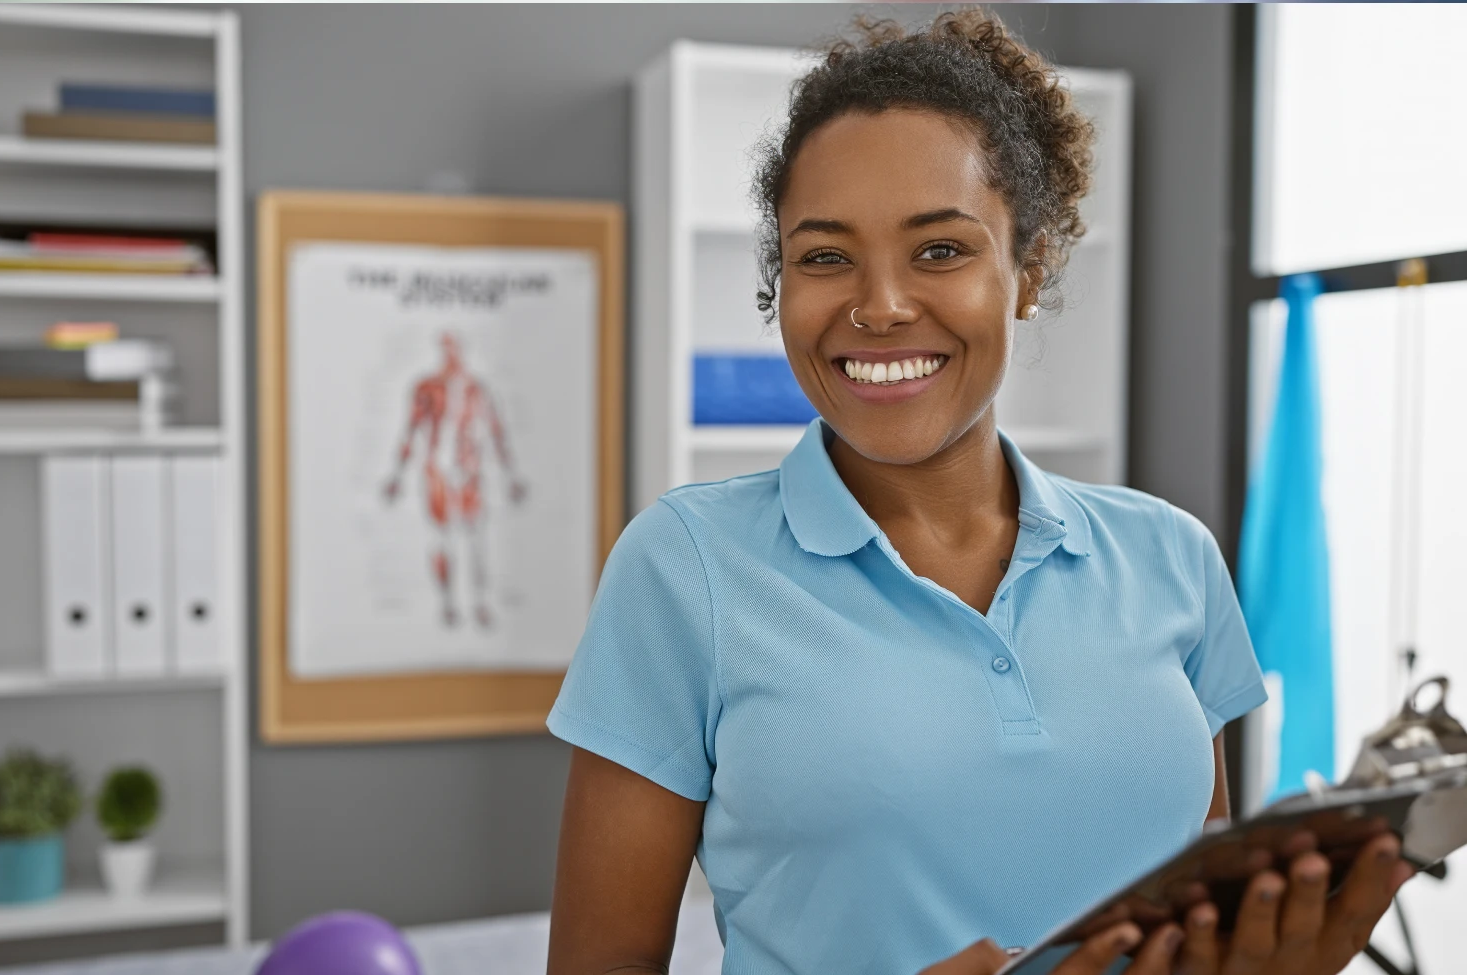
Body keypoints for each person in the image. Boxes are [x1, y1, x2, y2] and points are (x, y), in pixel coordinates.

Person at [546, 12, 1411, 975]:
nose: (878, 307)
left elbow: (1192, 919)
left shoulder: (1170, 555)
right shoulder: (685, 568)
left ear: (1028, 271)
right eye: (825, 255)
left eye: (941, 250)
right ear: (780, 279)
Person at [383, 332, 526, 629]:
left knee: (475, 538)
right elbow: (410, 430)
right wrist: (397, 475)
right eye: (447, 350)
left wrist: (510, 475)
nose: (452, 356)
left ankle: (479, 602)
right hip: (438, 471)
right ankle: (448, 603)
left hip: (469, 471)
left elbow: (496, 431)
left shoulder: (477, 390)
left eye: (455, 349)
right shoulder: (427, 388)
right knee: (443, 538)